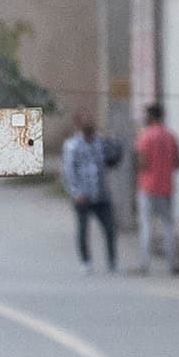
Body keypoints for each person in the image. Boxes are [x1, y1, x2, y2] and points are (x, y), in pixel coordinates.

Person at [62, 113, 118, 274]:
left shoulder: (100, 143)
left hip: (101, 194)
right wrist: (76, 192)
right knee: (83, 230)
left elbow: (113, 158)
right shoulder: (72, 146)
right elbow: (68, 172)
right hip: (83, 195)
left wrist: (111, 139)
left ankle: (112, 261)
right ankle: (86, 261)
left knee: (109, 228)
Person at [135, 103, 179, 275]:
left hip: (147, 186)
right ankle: (171, 265)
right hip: (166, 187)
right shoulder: (171, 136)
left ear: (151, 116)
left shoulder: (145, 136)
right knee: (169, 226)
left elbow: (142, 163)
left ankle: (145, 265)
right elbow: (178, 163)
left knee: (146, 225)